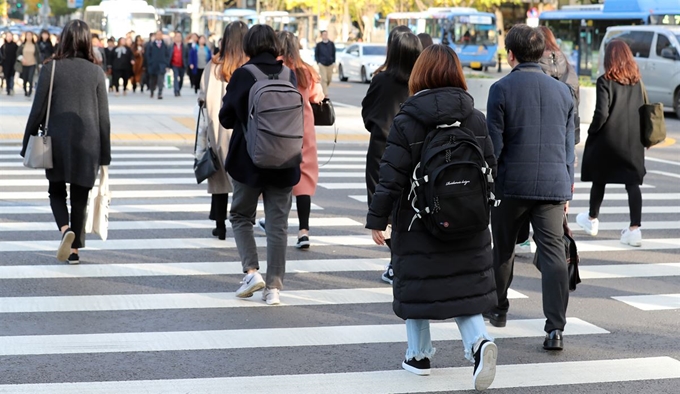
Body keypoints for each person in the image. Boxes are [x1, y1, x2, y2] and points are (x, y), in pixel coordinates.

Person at [366, 45, 498, 390]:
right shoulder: (475, 118)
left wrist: (377, 219)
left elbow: (390, 175)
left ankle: (419, 355)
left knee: (418, 285)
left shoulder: (408, 120)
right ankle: (479, 342)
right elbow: (491, 171)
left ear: (420, 74)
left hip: (418, 223)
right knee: (463, 287)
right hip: (468, 221)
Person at [486, 25, 575, 351]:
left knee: (505, 248)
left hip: (511, 184)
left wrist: (488, 186)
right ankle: (555, 330)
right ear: (541, 53)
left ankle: (498, 308)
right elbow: (568, 147)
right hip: (553, 185)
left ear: (511, 55)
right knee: (553, 254)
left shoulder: (501, 89)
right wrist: (567, 184)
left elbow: (494, 147)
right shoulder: (563, 91)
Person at [219, 24, 300, 306]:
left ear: (249, 47)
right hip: (285, 159)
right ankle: (274, 288)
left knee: (241, 216)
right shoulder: (290, 74)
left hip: (249, 161)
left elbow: (226, 119)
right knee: (278, 225)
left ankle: (252, 272)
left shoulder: (244, 75)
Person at [20, 19, 111, 265]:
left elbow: (37, 109)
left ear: (64, 39)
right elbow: (104, 117)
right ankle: (75, 251)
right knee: (81, 196)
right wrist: (105, 155)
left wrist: (26, 141)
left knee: (56, 191)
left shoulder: (52, 68)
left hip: (57, 142)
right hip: (89, 142)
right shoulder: (96, 72)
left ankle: (64, 230)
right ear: (87, 41)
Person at [515, 26, 582, 253]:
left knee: (528, 184)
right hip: (565, 134)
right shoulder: (568, 67)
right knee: (558, 190)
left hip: (538, 135)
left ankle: (523, 238)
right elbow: (576, 107)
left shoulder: (533, 66)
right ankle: (556, 234)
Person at [361, 26, 419, 285]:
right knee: (410, 207)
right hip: (416, 152)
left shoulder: (381, 80)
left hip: (381, 152)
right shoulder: (421, 82)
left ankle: (400, 263)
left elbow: (367, 114)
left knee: (383, 211)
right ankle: (402, 262)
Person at [576, 40, 646, 247]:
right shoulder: (637, 82)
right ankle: (635, 229)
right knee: (633, 183)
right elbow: (645, 110)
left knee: (600, 179)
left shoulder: (604, 81)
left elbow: (601, 113)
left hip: (609, 140)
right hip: (633, 141)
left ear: (609, 59)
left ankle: (592, 219)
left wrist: (592, 131)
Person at [272, 30, 325, 249]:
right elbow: (318, 97)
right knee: (304, 181)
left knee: (280, 177)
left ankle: (277, 224)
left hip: (279, 128)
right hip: (304, 129)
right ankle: (304, 231)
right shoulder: (306, 71)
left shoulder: (276, 68)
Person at [196, 21, 247, 240]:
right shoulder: (247, 67)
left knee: (218, 181)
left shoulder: (212, 67)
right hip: (240, 132)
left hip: (216, 131)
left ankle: (220, 225)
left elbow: (201, 97)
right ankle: (242, 222)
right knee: (241, 181)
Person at [147, 31, 170, 100]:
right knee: (152, 79)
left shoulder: (165, 45)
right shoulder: (151, 44)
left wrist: (166, 63)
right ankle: (152, 91)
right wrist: (150, 62)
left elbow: (167, 55)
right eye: (157, 35)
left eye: (160, 35)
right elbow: (148, 54)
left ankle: (160, 93)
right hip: (153, 65)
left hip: (161, 65)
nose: (159, 36)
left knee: (161, 79)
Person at [18, 31, 40, 98]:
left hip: (32, 64)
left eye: (30, 35)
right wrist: (22, 59)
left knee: (30, 78)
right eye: (27, 35)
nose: (29, 37)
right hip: (24, 64)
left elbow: (37, 55)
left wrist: (39, 63)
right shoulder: (23, 45)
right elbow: (18, 53)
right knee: (25, 79)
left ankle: (29, 92)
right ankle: (25, 90)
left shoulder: (35, 45)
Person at [314, 30, 335, 98]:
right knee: (324, 79)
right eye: (324, 34)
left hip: (330, 64)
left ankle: (324, 89)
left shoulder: (331, 44)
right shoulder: (319, 45)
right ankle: (325, 93)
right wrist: (318, 62)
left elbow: (334, 53)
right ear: (321, 36)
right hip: (322, 64)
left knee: (329, 79)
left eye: (326, 34)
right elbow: (316, 54)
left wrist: (333, 61)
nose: (325, 36)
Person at [170, 32, 188, 97]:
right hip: (174, 64)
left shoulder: (185, 46)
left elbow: (187, 55)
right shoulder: (171, 46)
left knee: (181, 78)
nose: (178, 38)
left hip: (182, 65)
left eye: (179, 36)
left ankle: (179, 89)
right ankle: (176, 91)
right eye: (176, 36)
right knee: (175, 77)